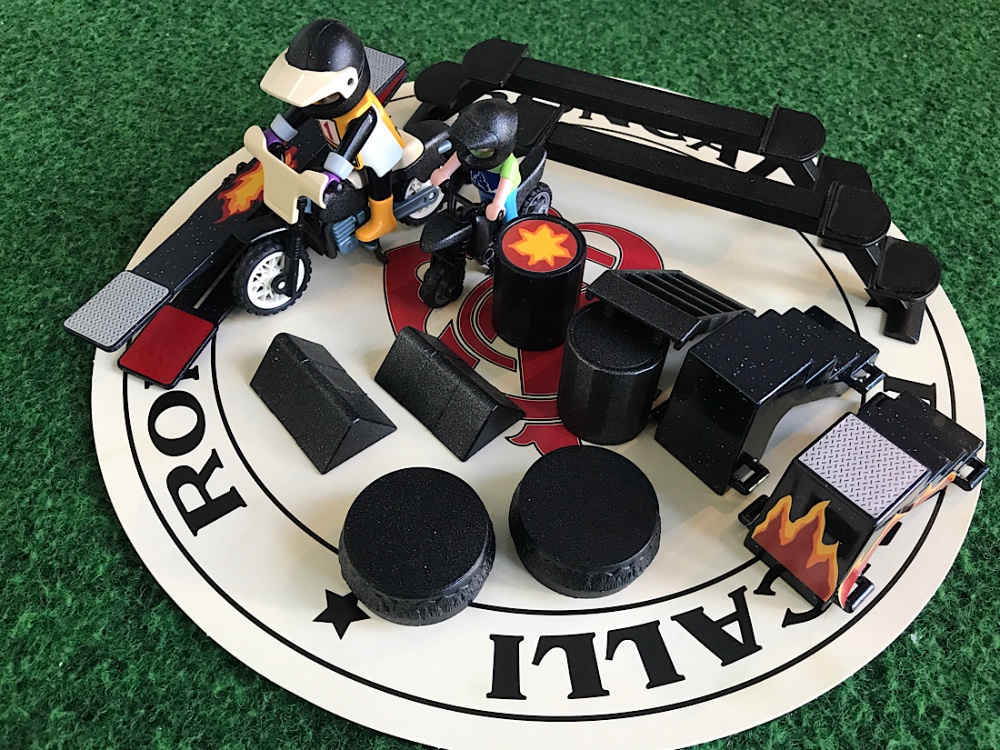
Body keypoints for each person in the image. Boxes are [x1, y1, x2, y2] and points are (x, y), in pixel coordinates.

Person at [260, 19, 405, 243]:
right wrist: (277, 133)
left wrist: (334, 172)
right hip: (343, 149)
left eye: (325, 96)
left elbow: (353, 141)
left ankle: (383, 218)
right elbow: (301, 110)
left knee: (378, 177)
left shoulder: (364, 113)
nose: (318, 102)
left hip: (375, 152)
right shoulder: (319, 103)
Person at [430, 98, 520, 222]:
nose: (473, 144)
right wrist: (444, 172)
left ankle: (511, 228)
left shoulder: (509, 163)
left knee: (509, 218)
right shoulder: (475, 149)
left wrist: (498, 203)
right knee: (485, 210)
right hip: (483, 188)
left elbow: (506, 182)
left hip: (504, 193)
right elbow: (460, 156)